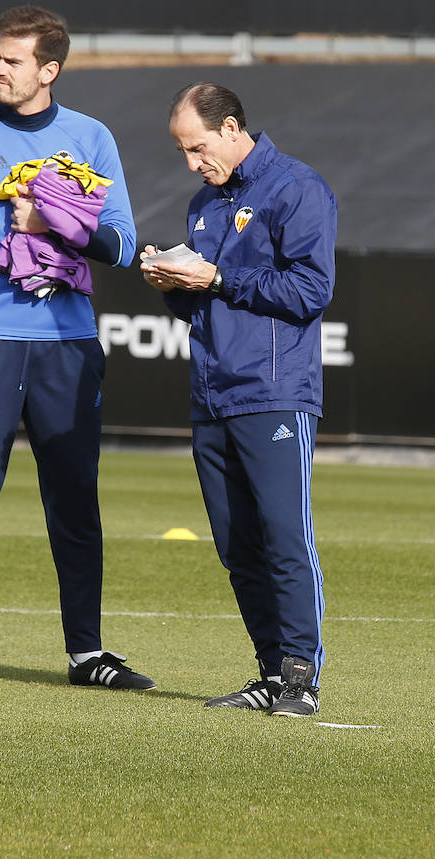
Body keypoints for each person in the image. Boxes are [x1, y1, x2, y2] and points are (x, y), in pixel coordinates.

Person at [0, 5, 155, 692]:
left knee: (75, 503)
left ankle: (87, 655)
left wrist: (54, 219)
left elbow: (125, 245)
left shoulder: (91, 138)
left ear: (49, 70)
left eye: (12, 61)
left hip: (67, 346)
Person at [141, 83, 336, 716]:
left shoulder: (297, 187)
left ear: (230, 128)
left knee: (284, 537)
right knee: (236, 546)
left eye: (196, 148)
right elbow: (205, 305)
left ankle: (301, 680)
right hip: (212, 392)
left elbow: (310, 290)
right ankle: (270, 675)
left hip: (275, 392)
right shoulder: (205, 204)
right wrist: (173, 282)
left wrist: (218, 276)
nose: (192, 163)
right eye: (182, 152)